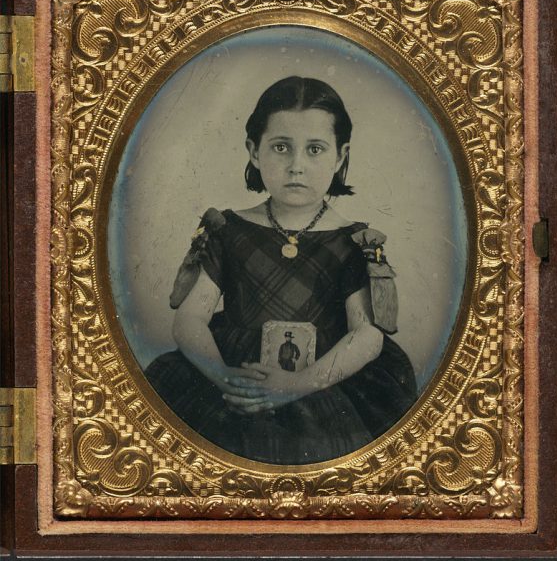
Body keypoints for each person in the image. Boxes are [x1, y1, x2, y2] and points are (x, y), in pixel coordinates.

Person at [145, 76, 417, 465]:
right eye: (281, 147)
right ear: (254, 152)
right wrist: (225, 378)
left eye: (315, 150)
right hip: (235, 375)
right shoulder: (227, 230)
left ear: (340, 157)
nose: (296, 166)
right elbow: (189, 319)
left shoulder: (354, 242)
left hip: (321, 381)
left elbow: (366, 337)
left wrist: (294, 386)